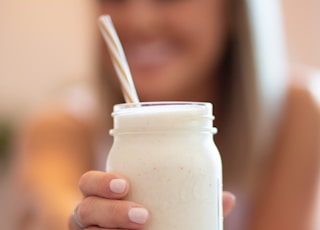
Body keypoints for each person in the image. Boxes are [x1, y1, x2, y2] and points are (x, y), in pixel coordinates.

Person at [9, 0, 320, 230]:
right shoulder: (62, 125)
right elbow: (50, 208)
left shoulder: (297, 111)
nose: (139, 20)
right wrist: (79, 220)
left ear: (231, 10)